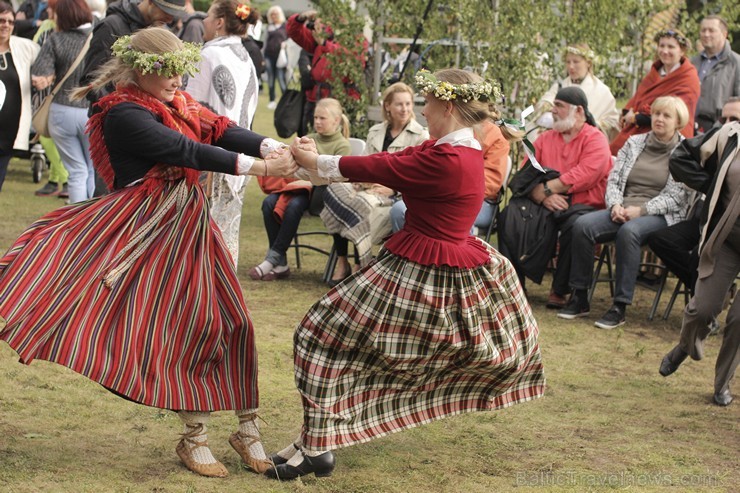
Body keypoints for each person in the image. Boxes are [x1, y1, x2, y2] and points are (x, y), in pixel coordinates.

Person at [0, 27, 298, 477]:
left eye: (182, 71)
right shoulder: (121, 111)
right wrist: (261, 167)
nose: (180, 81)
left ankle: (247, 428)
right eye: (170, 72)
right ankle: (195, 436)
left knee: (234, 320)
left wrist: (276, 145)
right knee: (185, 329)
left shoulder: (174, 102)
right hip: (148, 230)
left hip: (190, 223)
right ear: (140, 70)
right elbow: (185, 150)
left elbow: (219, 127)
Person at [265, 69, 545, 480]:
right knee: (337, 341)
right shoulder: (458, 150)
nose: (422, 110)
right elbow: (387, 162)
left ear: (447, 106)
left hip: (424, 271)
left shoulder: (447, 159)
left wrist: (317, 161)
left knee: (317, 334)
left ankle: (318, 446)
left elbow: (380, 164)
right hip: (430, 263)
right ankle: (316, 440)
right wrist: (315, 162)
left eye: (426, 103)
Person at [557, 96, 690, 329]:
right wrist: (616, 205)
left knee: (629, 232)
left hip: (658, 215)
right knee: (582, 225)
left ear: (678, 121)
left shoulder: (685, 152)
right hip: (624, 208)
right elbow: (615, 180)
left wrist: (641, 210)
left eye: (666, 116)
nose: (659, 119)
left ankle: (619, 306)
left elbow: (677, 197)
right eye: (657, 113)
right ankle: (579, 297)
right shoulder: (634, 143)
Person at [499, 86, 612, 309]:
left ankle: (561, 289)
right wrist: (539, 195)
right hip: (545, 202)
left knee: (574, 225)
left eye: (559, 106)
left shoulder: (595, 138)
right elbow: (526, 172)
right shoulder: (545, 138)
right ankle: (515, 285)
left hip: (582, 203)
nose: (553, 111)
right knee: (508, 215)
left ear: (579, 111)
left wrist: (548, 188)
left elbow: (587, 173)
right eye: (553, 106)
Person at [659, 120, 740, 407]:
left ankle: (722, 385)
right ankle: (686, 345)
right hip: (727, 239)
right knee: (702, 309)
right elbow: (681, 157)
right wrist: (712, 184)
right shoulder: (730, 135)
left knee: (738, 320)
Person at [323, 82, 428, 286]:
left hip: (394, 194)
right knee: (335, 191)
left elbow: (417, 175)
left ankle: (359, 263)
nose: (405, 109)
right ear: (387, 106)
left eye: (408, 103)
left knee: (359, 204)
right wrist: (361, 181)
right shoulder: (376, 131)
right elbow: (365, 162)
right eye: (399, 104)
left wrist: (394, 188)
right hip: (367, 186)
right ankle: (343, 259)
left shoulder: (420, 136)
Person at [185, 0, 258, 267]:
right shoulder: (245, 58)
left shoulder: (208, 55)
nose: (203, 20)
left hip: (209, 159)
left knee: (199, 234)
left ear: (219, 23)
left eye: (209, 16)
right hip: (238, 156)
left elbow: (189, 107)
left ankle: (203, 297)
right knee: (225, 234)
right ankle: (223, 297)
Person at [249, 97, 351, 281]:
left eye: (323, 118)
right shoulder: (308, 138)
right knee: (268, 203)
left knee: (295, 205)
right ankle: (281, 263)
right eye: (316, 117)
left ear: (336, 121)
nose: (317, 122)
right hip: (295, 187)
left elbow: (335, 177)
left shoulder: (341, 145)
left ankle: (273, 258)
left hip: (320, 195)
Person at [647, 97, 740, 296]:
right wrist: (711, 186)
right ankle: (708, 290)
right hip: (704, 218)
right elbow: (680, 159)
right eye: (723, 119)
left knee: (702, 255)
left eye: (735, 118)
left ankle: (708, 293)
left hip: (729, 228)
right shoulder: (718, 139)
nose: (728, 124)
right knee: (661, 239)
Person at [390, 116, 515, 234]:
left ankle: (456, 255)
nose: (424, 111)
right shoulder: (447, 125)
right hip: (436, 196)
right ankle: (409, 254)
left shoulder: (495, 135)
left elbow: (490, 183)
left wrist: (448, 193)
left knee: (452, 218)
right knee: (399, 210)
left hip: (479, 202)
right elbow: (427, 164)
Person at [31, 0, 94, 204]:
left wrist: (49, 78)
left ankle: (77, 219)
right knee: (93, 169)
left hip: (61, 111)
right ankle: (93, 219)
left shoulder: (56, 39)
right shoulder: (98, 36)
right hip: (90, 111)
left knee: (76, 171)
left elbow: (39, 74)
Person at [80, 0, 188, 108]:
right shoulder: (111, 26)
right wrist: (119, 109)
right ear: (150, 2)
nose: (169, 20)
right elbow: (92, 79)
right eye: (166, 12)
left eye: (174, 15)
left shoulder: (162, 30)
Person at [610, 29, 700, 156]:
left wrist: (637, 118)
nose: (664, 51)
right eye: (661, 46)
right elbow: (638, 97)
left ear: (682, 51)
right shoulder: (654, 72)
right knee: (615, 152)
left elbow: (676, 113)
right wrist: (628, 111)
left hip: (668, 135)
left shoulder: (688, 77)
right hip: (639, 129)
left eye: (671, 47)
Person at [286, 9, 367, 137]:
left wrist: (325, 44)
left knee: (338, 140)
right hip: (316, 97)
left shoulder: (356, 38)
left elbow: (353, 60)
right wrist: (300, 18)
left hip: (341, 98)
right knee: (309, 138)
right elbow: (294, 32)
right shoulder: (324, 35)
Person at [533, 43, 620, 141]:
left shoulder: (602, 91)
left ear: (588, 63)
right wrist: (548, 108)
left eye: (576, 61)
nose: (571, 66)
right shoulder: (559, 87)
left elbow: (613, 123)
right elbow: (544, 104)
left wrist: (594, 125)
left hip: (587, 143)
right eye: (568, 62)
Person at [30, 0, 69, 198]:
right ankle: (55, 180)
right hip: (45, 88)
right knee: (48, 135)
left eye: (51, 8)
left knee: (47, 136)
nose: (47, 10)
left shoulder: (65, 31)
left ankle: (64, 177)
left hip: (55, 90)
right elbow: (34, 49)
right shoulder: (47, 26)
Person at [0, 1, 39, 192]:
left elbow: (46, 64)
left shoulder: (25, 48)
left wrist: (44, 78)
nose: (5, 25)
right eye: (1, 20)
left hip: (7, 134)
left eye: (10, 21)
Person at [691, 15, 740, 134]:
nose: (706, 34)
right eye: (703, 30)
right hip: (689, 129)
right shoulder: (691, 62)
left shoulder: (736, 63)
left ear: (724, 34)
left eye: (711, 30)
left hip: (719, 132)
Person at [264, 5, 287, 110]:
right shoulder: (269, 27)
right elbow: (265, 42)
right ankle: (272, 100)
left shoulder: (285, 26)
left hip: (280, 57)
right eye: (272, 14)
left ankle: (286, 101)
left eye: (275, 14)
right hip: (269, 55)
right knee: (271, 80)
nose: (274, 16)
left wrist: (285, 44)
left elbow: (290, 40)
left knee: (281, 79)